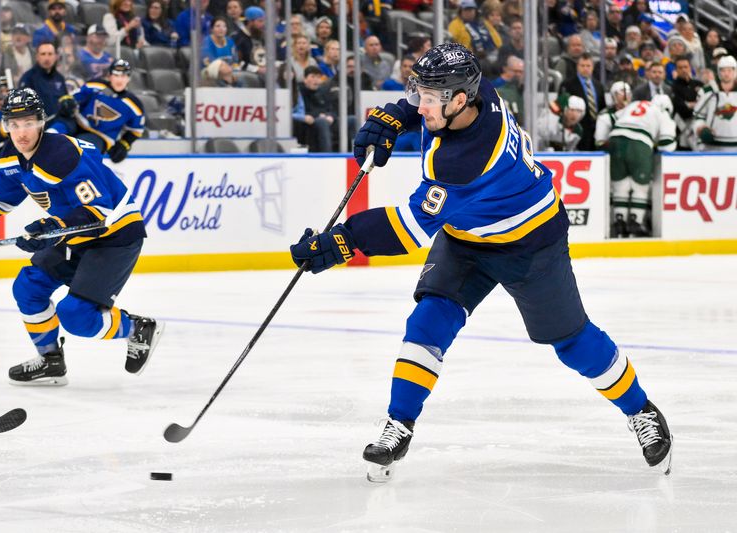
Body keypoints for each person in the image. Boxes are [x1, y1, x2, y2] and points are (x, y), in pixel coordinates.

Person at [288, 43, 673, 482]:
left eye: (428, 98)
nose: (422, 103)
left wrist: (341, 241)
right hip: (468, 236)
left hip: (531, 242)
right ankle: (399, 424)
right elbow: (423, 107)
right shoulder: (475, 90)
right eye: (419, 93)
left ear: (457, 101)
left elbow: (407, 229)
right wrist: (396, 113)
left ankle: (640, 409)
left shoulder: (463, 162)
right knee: (428, 322)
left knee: (571, 341)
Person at [0, 88, 163, 386]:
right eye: (14, 124)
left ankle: (136, 328)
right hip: (71, 236)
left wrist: (49, 227)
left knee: (76, 317)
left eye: (28, 123)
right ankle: (51, 361)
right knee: (28, 288)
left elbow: (98, 210)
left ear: (42, 121)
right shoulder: (12, 156)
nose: (21, 132)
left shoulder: (62, 155)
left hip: (114, 235)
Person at [602, 93, 676, 237]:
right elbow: (667, 144)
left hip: (615, 140)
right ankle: (635, 222)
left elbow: (614, 119)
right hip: (639, 144)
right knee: (640, 187)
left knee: (619, 185)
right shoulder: (662, 112)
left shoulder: (634, 104)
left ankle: (619, 222)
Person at [72, 59, 145, 163]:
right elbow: (74, 97)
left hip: (101, 137)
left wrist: (125, 143)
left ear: (129, 78)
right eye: (116, 75)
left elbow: (136, 130)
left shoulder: (134, 105)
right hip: (77, 124)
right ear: (110, 76)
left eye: (123, 76)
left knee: (81, 151)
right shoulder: (96, 85)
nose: (119, 80)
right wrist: (68, 103)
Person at [19, 41, 77, 135]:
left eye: (50, 54)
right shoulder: (28, 78)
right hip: (39, 128)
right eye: (43, 54)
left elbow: (65, 100)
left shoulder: (59, 78)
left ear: (56, 57)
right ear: (37, 57)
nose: (47, 58)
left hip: (59, 124)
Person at [559, 52, 605, 151]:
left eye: (588, 66)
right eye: (582, 65)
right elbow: (562, 108)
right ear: (577, 67)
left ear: (592, 67)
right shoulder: (567, 84)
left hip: (596, 131)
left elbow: (602, 108)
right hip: (577, 131)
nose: (585, 68)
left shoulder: (598, 86)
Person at [693, 55, 737, 152]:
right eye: (723, 70)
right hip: (711, 147)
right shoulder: (708, 91)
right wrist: (701, 128)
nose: (726, 74)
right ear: (718, 72)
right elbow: (698, 118)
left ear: (735, 71)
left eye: (730, 70)